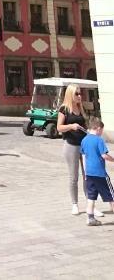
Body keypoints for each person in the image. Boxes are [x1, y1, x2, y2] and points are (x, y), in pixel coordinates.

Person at [57, 84, 97, 216]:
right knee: (74, 177)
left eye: (80, 93)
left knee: (88, 176)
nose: (80, 96)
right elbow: (59, 128)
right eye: (77, 94)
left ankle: (90, 205)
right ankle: (75, 204)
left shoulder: (81, 108)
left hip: (84, 146)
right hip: (71, 146)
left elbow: (85, 125)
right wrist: (71, 126)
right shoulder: (64, 109)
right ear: (70, 95)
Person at [80, 117, 114, 226]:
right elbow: (104, 155)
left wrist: (85, 173)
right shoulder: (99, 140)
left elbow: (84, 157)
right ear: (98, 128)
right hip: (100, 174)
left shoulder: (84, 140)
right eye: (102, 131)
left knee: (91, 196)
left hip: (89, 173)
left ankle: (90, 218)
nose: (101, 133)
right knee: (111, 196)